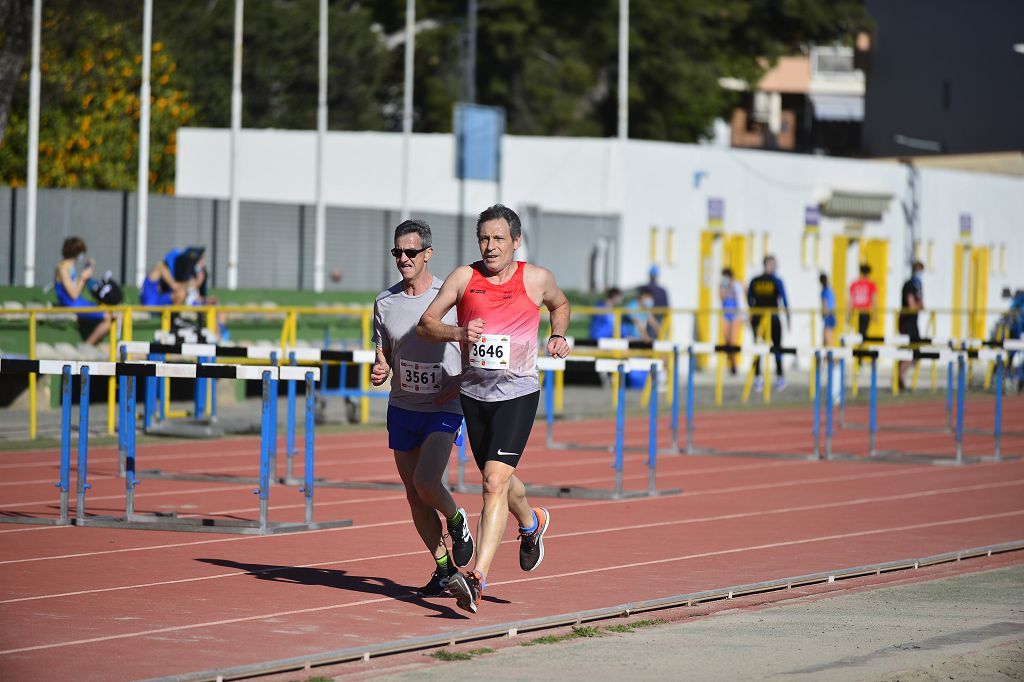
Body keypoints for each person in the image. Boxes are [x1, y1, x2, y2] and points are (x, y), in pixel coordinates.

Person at [417, 203, 571, 615]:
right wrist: (459, 331)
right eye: (484, 238)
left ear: (515, 242)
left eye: (499, 238)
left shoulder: (536, 279)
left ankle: (478, 576)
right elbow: (426, 323)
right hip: (475, 394)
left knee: (491, 482)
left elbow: (561, 305)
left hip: (518, 392)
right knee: (500, 482)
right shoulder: (464, 278)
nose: (490, 246)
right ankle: (532, 522)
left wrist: (558, 335)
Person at [369, 219, 475, 597]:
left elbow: (475, 345)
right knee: (413, 495)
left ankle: (457, 518)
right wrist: (380, 368)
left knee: (426, 482)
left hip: (443, 405)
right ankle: (444, 567)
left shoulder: (451, 296)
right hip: (402, 405)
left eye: (410, 252)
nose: (403, 258)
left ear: (427, 254)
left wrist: (460, 379)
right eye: (397, 252)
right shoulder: (385, 301)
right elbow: (383, 353)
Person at [53, 236, 111, 345]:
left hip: (78, 302)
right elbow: (73, 295)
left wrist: (87, 270)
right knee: (109, 318)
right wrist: (83, 278)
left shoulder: (70, 266)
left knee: (110, 312)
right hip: (71, 303)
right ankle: (87, 345)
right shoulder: (63, 268)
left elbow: (76, 289)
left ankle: (92, 344)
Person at [747, 255, 790, 391]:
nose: (774, 267)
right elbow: (784, 299)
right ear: (766, 265)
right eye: (772, 264)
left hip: (760, 318)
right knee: (770, 348)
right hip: (771, 318)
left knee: (770, 348)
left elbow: (749, 299)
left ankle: (775, 378)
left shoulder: (755, 280)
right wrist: (788, 318)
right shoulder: (775, 281)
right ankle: (764, 378)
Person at [897, 261, 925, 389]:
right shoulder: (909, 285)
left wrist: (919, 305)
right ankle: (899, 378)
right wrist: (918, 305)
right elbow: (913, 306)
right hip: (906, 322)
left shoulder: (918, 285)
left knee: (915, 353)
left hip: (914, 323)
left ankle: (900, 378)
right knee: (908, 352)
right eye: (919, 271)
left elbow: (922, 305)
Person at [719, 267, 745, 374]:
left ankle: (734, 364)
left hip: (735, 315)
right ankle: (730, 362)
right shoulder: (722, 286)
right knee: (726, 341)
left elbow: (741, 299)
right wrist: (723, 288)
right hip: (726, 314)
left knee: (733, 341)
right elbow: (721, 298)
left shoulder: (737, 285)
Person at [848, 264, 877, 339]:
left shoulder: (854, 284)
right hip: (865, 312)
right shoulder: (871, 285)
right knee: (863, 335)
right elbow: (874, 300)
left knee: (855, 335)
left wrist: (848, 314)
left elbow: (850, 300)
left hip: (855, 312)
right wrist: (875, 314)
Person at [645, 266, 670, 339]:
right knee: (659, 339)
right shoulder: (662, 291)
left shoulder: (645, 288)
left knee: (651, 340)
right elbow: (666, 308)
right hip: (657, 318)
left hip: (650, 317)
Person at [820, 273, 837, 347]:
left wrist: (824, 314)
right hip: (832, 314)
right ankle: (829, 356)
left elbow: (825, 303)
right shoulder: (830, 290)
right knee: (829, 339)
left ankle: (831, 357)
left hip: (828, 315)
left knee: (827, 341)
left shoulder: (824, 291)